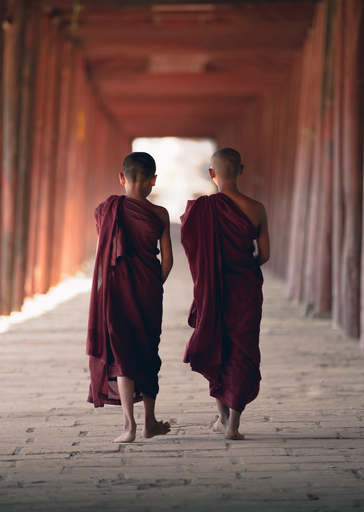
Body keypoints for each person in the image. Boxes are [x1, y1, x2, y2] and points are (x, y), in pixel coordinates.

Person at [181, 147, 270, 440]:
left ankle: (222, 417)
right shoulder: (256, 208)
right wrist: (241, 267)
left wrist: (212, 272)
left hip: (213, 290)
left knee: (216, 344)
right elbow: (264, 255)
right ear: (241, 170)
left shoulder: (201, 209)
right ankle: (233, 423)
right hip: (245, 289)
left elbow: (193, 250)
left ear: (212, 173)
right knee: (243, 350)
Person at [87, 152, 173, 443]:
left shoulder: (107, 210)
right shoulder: (160, 214)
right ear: (153, 180)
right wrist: (152, 286)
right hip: (149, 291)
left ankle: (129, 426)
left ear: (122, 178)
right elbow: (168, 261)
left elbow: (104, 255)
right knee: (148, 352)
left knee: (122, 353)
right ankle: (150, 422)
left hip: (115, 293)